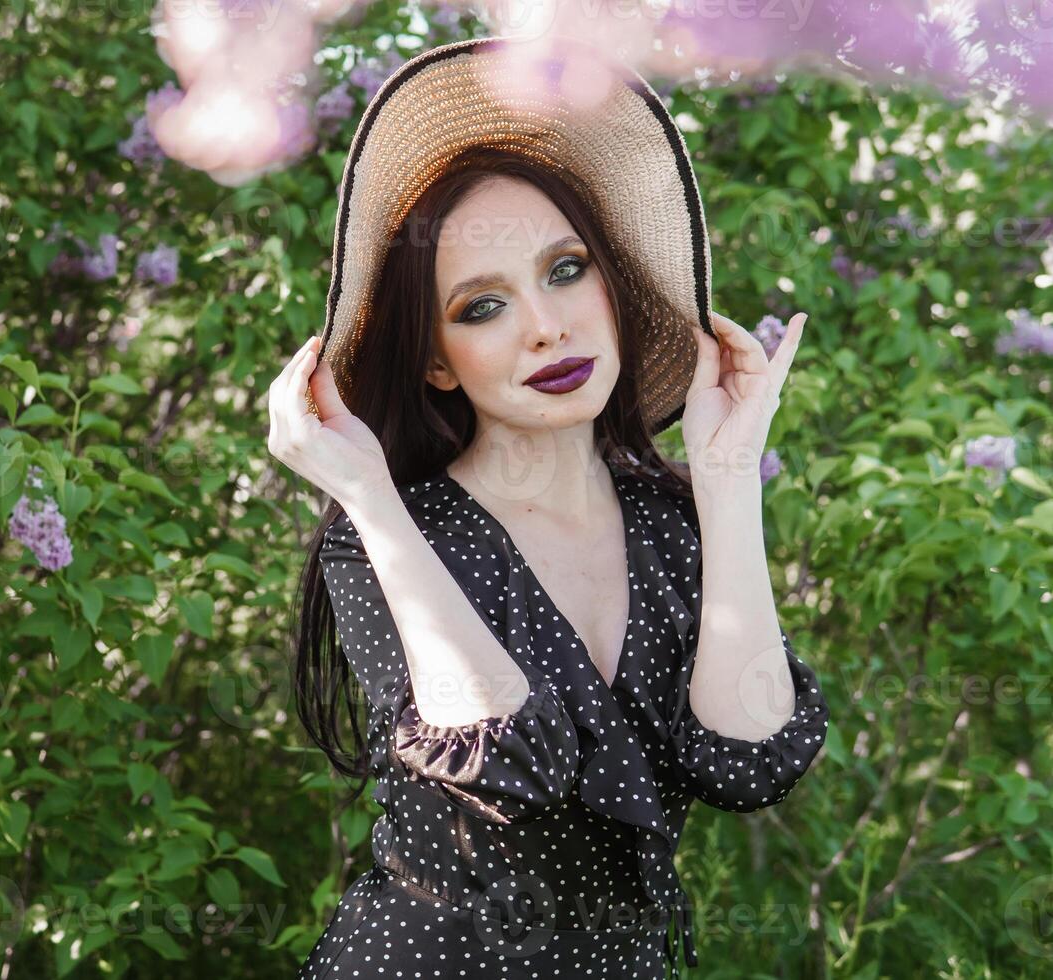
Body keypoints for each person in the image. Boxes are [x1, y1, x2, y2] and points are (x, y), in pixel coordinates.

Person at [267, 35, 831, 979]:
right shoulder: (386, 540)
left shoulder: (671, 525)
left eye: (567, 269)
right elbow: (510, 756)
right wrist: (364, 491)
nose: (545, 324)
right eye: (482, 307)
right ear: (438, 362)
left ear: (612, 285)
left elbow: (748, 760)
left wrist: (728, 478)